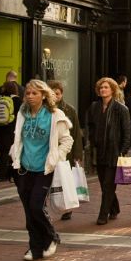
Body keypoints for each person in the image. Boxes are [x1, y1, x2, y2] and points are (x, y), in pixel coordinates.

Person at [10, 80, 73, 261]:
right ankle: (35, 248)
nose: (30, 96)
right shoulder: (22, 114)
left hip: (44, 169)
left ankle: (51, 236)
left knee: (36, 206)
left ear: (44, 95)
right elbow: (18, 139)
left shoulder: (54, 115)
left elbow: (67, 141)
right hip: (22, 169)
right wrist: (14, 155)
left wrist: (55, 158)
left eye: (34, 93)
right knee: (29, 212)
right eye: (28, 93)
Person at [86, 77, 131, 225]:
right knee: (104, 183)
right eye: (101, 88)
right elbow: (90, 127)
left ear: (112, 89)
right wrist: (91, 142)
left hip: (114, 152)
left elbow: (127, 132)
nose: (103, 90)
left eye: (106, 87)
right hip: (99, 152)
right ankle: (115, 208)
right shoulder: (94, 107)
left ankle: (102, 215)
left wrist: (123, 150)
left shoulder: (121, 109)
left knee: (108, 185)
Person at [47, 81, 84, 220]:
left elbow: (75, 134)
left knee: (64, 180)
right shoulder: (44, 109)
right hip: (48, 152)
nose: (55, 96)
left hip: (65, 153)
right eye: (52, 93)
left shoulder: (69, 110)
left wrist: (77, 154)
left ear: (61, 94)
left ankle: (67, 207)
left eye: (57, 93)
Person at [0, 81, 23, 182]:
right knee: (8, 152)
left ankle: (6, 173)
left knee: (3, 152)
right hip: (11, 130)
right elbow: (21, 116)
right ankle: (2, 175)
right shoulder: (17, 100)